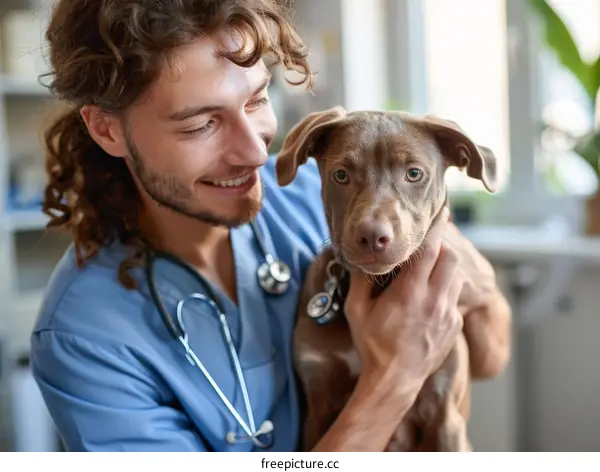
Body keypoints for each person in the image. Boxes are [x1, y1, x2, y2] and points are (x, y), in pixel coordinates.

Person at [30, 0, 468, 452]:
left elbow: (491, 351)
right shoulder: (85, 339)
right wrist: (394, 378)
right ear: (107, 130)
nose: (257, 154)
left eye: (257, 99)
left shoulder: (319, 195)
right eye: (202, 124)